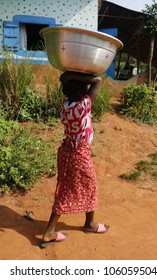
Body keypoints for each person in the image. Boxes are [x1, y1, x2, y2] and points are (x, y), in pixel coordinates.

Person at [40, 71, 109, 248]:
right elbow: (97, 81)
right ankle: (56, 230)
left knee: (68, 187)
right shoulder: (82, 106)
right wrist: (79, 78)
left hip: (67, 151)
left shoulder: (66, 105)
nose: (89, 89)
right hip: (79, 154)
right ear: (82, 91)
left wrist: (72, 78)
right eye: (86, 88)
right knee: (86, 187)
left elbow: (82, 82)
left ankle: (87, 223)